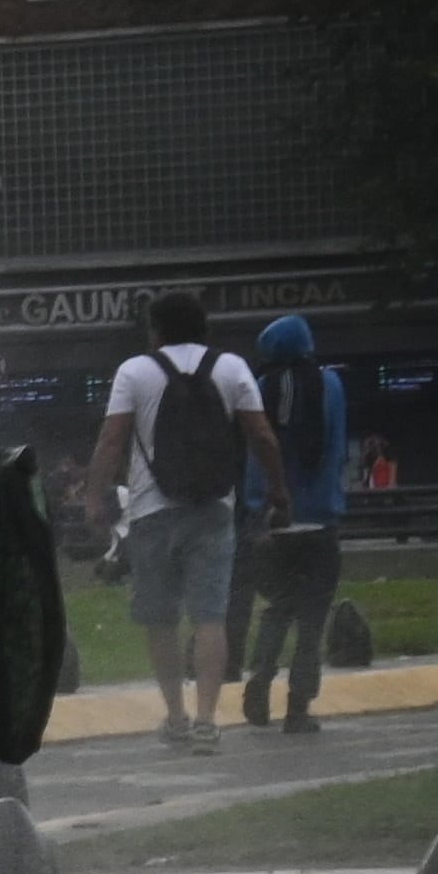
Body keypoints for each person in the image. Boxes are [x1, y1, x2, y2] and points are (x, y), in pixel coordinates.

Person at [81, 292, 285, 754]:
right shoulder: (232, 368)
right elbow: (262, 435)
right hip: (215, 509)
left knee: (160, 618)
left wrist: (95, 495)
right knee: (210, 616)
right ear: (204, 327)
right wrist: (278, 487)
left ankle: (175, 716)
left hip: (151, 512)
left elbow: (112, 438)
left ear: (155, 330)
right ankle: (208, 722)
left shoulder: (135, 371)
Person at [237, 315, 349, 735]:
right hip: (320, 520)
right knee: (312, 619)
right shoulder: (333, 387)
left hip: (273, 519)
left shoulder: (260, 389)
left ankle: (260, 679)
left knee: (278, 608)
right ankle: (298, 708)